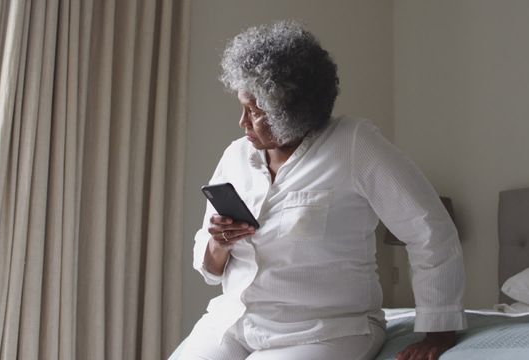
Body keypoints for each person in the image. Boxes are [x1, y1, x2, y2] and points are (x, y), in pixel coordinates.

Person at [179, 20, 466, 360]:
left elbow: (429, 229)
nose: (242, 122)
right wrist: (218, 242)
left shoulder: (354, 144)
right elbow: (211, 268)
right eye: (242, 107)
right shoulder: (236, 156)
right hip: (232, 323)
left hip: (323, 332)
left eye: (255, 112)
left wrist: (439, 331)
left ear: (292, 110)